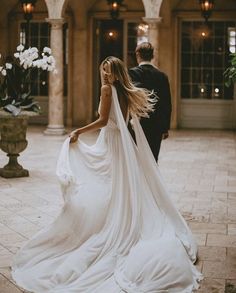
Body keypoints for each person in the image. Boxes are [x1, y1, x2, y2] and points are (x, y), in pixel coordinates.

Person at [12, 56, 202, 292]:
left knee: (104, 181)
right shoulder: (124, 89)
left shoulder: (107, 90)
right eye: (103, 70)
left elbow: (102, 121)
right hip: (122, 145)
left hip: (111, 141)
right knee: (115, 184)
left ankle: (111, 224)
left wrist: (78, 131)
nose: (104, 74)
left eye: (109, 71)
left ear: (116, 73)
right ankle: (116, 217)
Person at [129, 42, 172, 161]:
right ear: (152, 56)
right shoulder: (162, 76)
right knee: (153, 159)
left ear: (138, 55)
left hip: (137, 122)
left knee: (137, 159)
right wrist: (165, 128)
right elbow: (166, 103)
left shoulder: (132, 73)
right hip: (156, 124)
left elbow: (128, 99)